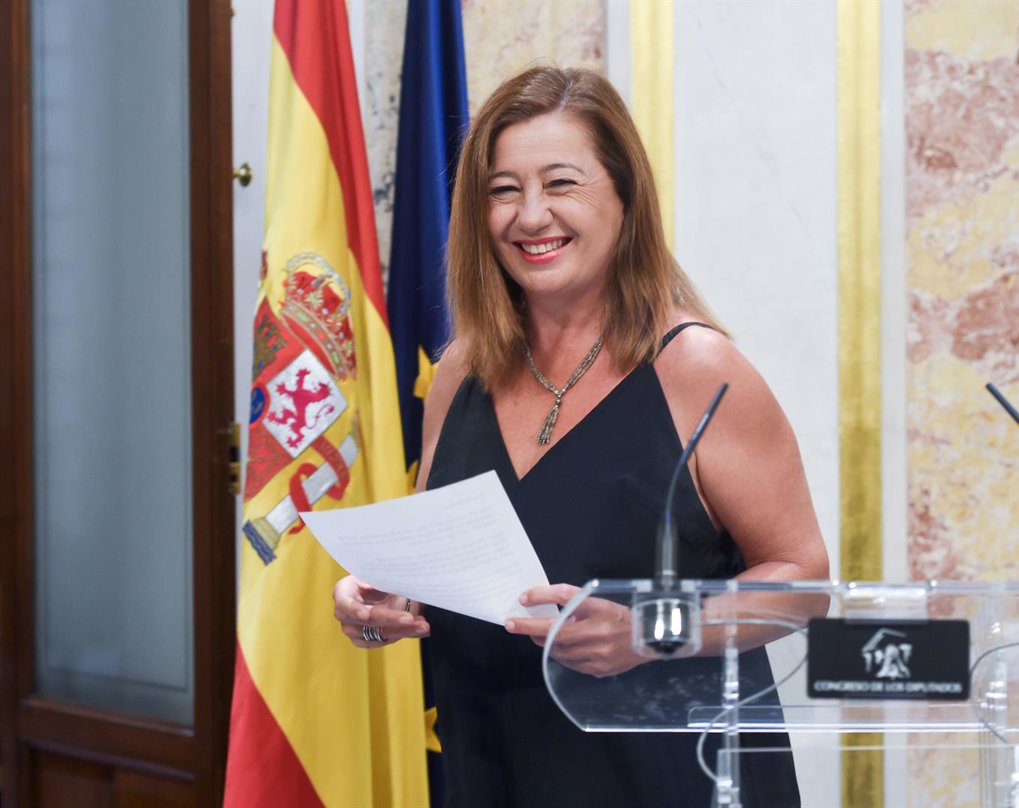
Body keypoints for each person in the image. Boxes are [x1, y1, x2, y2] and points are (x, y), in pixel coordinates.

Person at [333, 65, 829, 807]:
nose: (531, 215)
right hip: (488, 768)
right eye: (504, 190)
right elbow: (439, 566)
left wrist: (652, 630)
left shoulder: (695, 367)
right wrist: (377, 603)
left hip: (672, 781)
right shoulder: (461, 370)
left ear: (625, 196)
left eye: (561, 183)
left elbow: (804, 581)